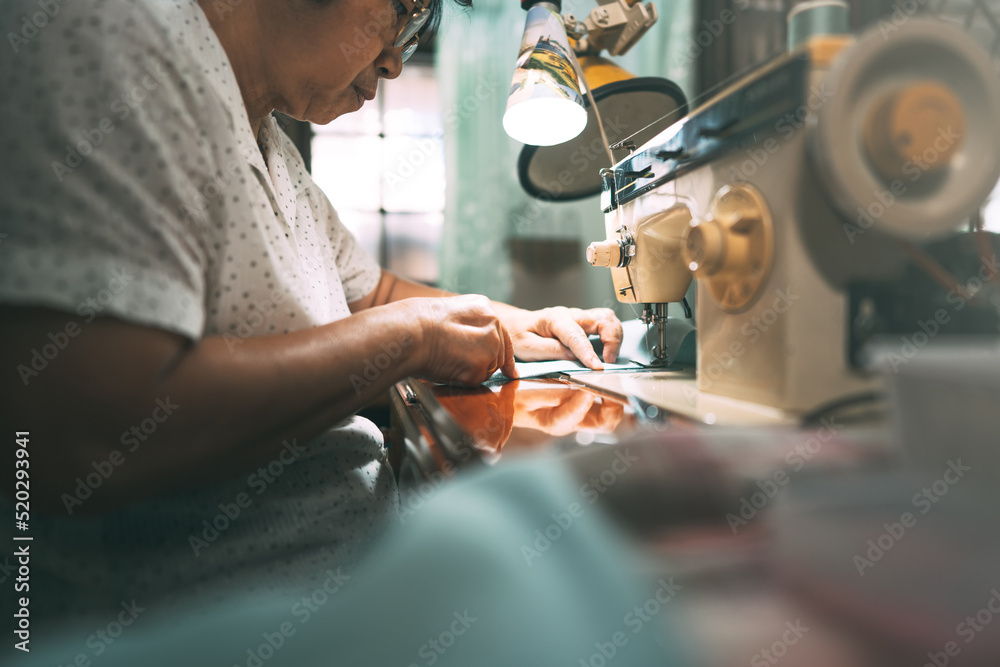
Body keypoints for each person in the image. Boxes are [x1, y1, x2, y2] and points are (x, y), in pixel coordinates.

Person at [0, 0, 623, 628]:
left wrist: (519, 323)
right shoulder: (111, 42)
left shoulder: (267, 141)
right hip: (187, 618)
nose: (395, 62)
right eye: (403, 12)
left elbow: (371, 292)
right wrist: (409, 340)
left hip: (345, 570)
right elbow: (90, 432)